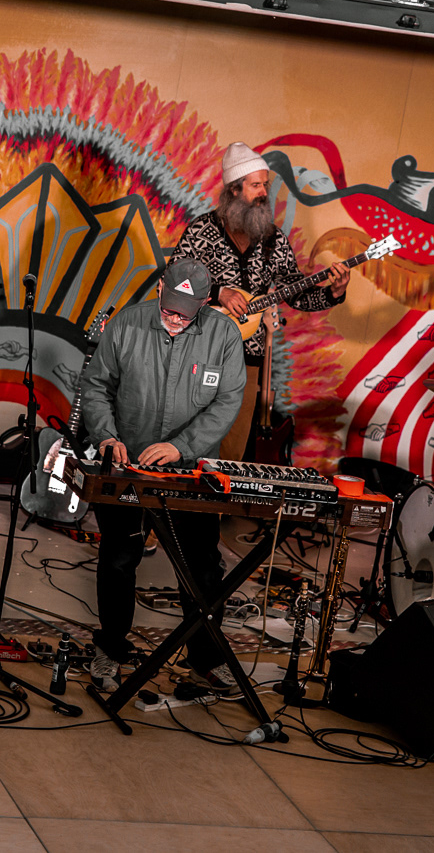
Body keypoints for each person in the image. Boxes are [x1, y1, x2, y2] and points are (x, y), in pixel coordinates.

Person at [79, 257, 247, 691]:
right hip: (128, 462)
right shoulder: (126, 325)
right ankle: (110, 649)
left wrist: (182, 447)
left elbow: (227, 401)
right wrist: (106, 436)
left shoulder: (224, 336)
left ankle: (206, 658)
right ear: (159, 290)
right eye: (169, 309)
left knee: (202, 566)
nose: (174, 319)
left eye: (185, 314)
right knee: (119, 559)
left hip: (189, 471)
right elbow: (97, 386)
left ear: (205, 304)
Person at [173, 142, 350, 461]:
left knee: (231, 446)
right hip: (198, 350)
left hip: (247, 360)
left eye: (265, 185)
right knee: (184, 431)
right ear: (234, 189)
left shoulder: (273, 240)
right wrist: (218, 292)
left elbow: (296, 294)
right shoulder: (202, 230)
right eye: (256, 185)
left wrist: (333, 293)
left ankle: (216, 493)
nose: (264, 193)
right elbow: (175, 280)